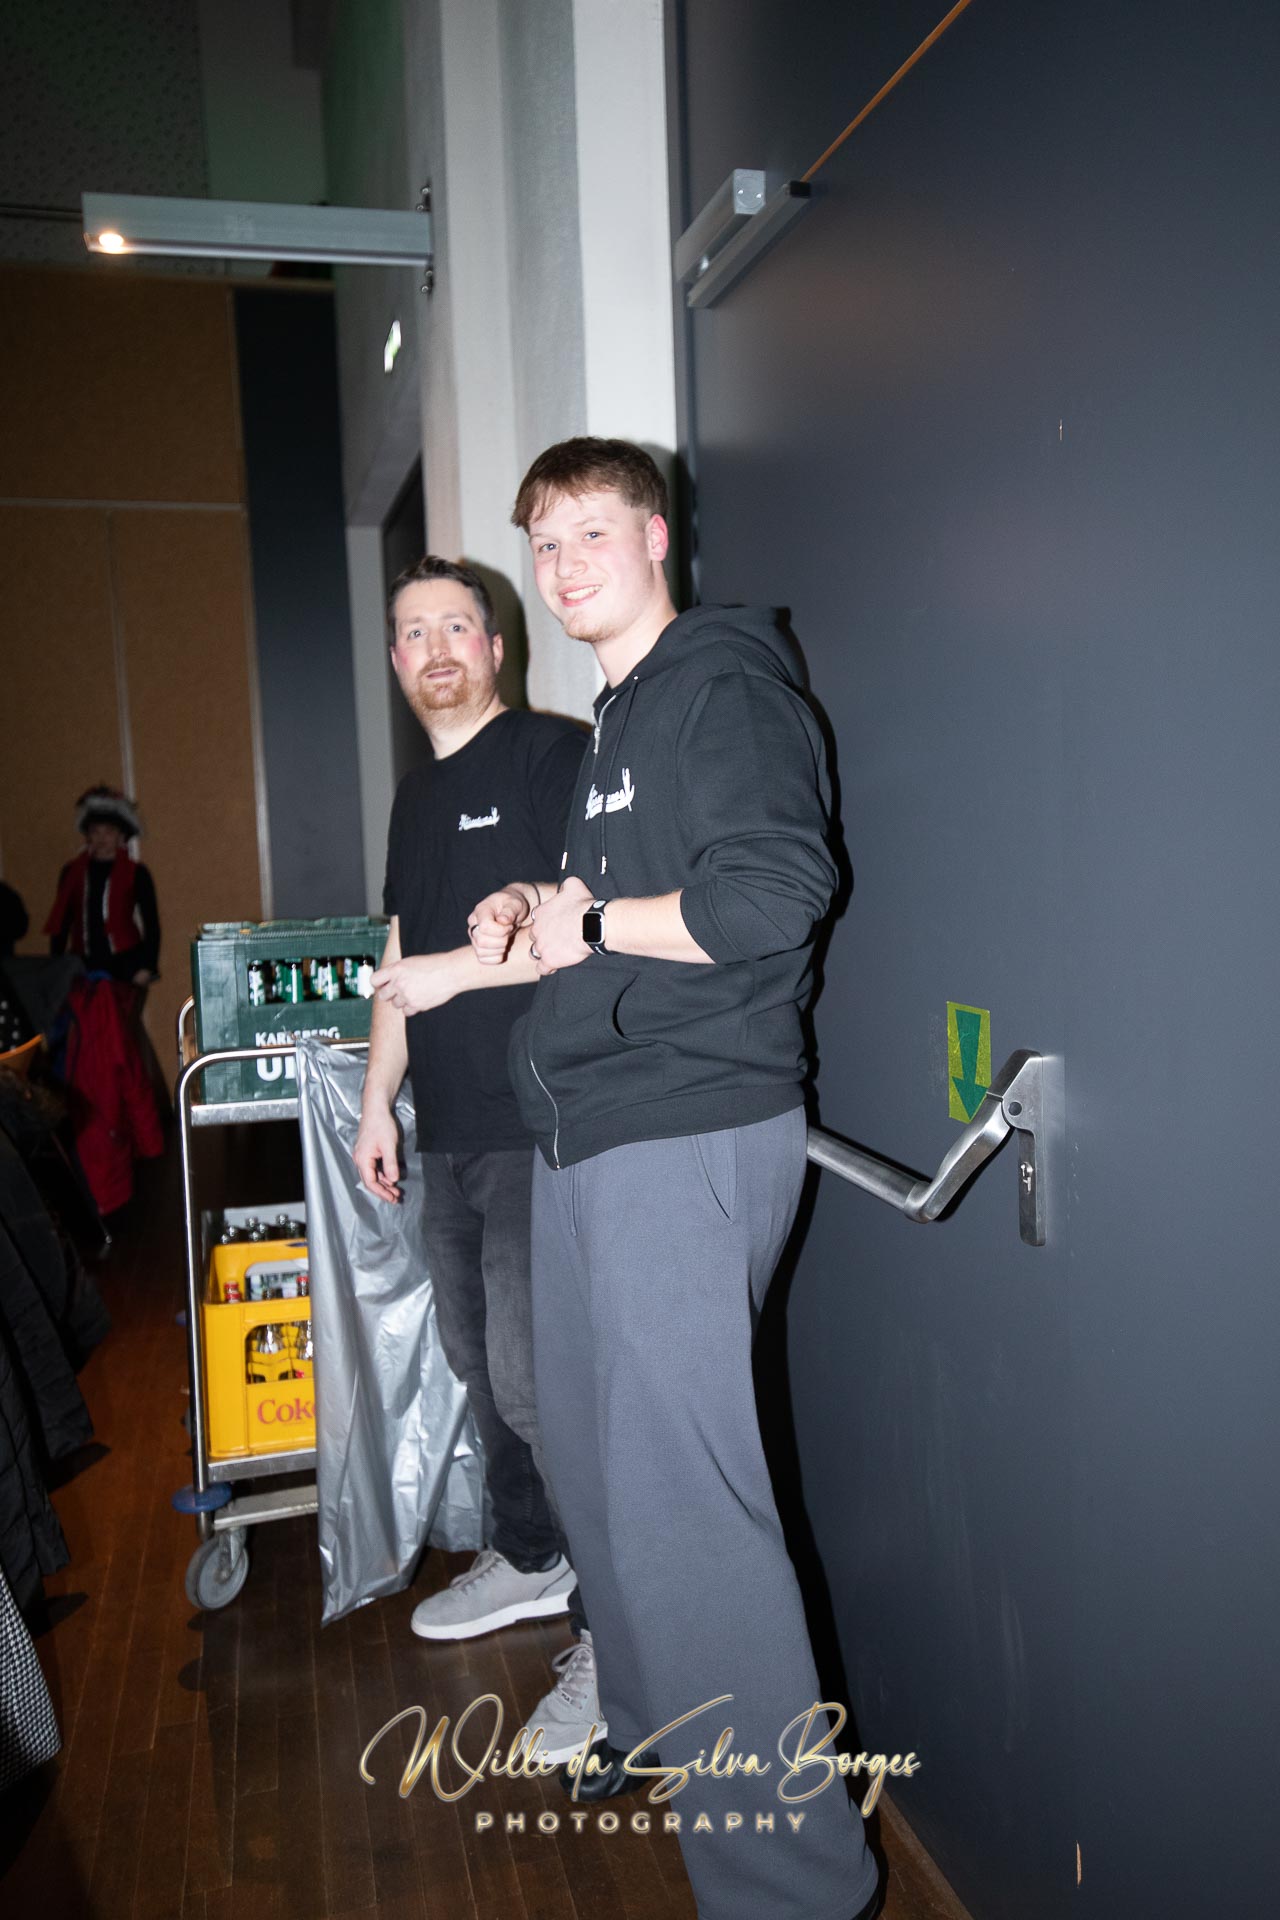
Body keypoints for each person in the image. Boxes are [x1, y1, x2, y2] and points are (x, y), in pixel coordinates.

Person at [468, 440, 880, 1920]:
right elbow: (628, 905)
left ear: (656, 536)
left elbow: (768, 897)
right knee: (597, 1474)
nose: (564, 564)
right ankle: (649, 1716)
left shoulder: (722, 686)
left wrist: (590, 929)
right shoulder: (617, 722)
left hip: (684, 1128)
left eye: (592, 531)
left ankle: (794, 1888)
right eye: (544, 542)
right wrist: (547, 903)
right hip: (593, 1129)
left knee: (690, 1519)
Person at [353, 555, 603, 1760]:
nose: (436, 647)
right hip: (446, 1130)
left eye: (457, 625)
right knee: (476, 1365)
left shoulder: (552, 755)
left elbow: (579, 923)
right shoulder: (413, 799)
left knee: (535, 1380)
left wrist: (458, 971)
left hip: (537, 1127)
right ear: (396, 659)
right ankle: (532, 1553)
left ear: (496, 647)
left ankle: (619, 1631)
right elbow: (399, 954)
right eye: (414, 632)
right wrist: (376, 1101)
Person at [44, 788, 159, 989]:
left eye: (109, 832)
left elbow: (151, 923)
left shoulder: (137, 873)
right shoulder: (72, 872)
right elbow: (62, 922)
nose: (101, 838)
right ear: (87, 835)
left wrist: (147, 966)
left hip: (126, 965)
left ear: (120, 835)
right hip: (82, 964)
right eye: (95, 832)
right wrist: (57, 964)